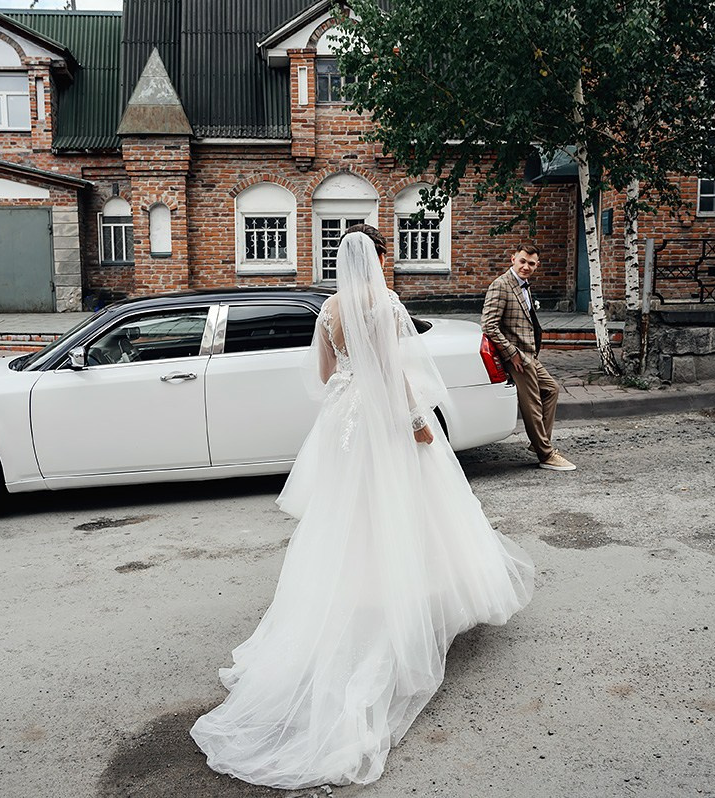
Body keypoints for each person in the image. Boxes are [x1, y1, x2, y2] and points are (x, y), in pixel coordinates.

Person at [190, 225, 534, 789]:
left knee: (351, 514)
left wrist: (351, 388)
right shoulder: (385, 302)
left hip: (345, 421)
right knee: (410, 503)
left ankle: (360, 591)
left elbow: (327, 374)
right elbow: (396, 372)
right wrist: (419, 420)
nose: (385, 262)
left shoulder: (329, 308)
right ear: (372, 258)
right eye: (383, 253)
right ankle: (408, 601)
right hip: (384, 420)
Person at [481, 244, 577, 471]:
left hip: (529, 353)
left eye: (531, 264)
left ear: (537, 265)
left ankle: (537, 443)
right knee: (532, 403)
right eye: (522, 261)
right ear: (513, 258)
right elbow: (489, 325)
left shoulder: (524, 285)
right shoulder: (501, 285)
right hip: (516, 356)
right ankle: (546, 454)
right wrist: (512, 353)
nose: (526, 267)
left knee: (551, 389)